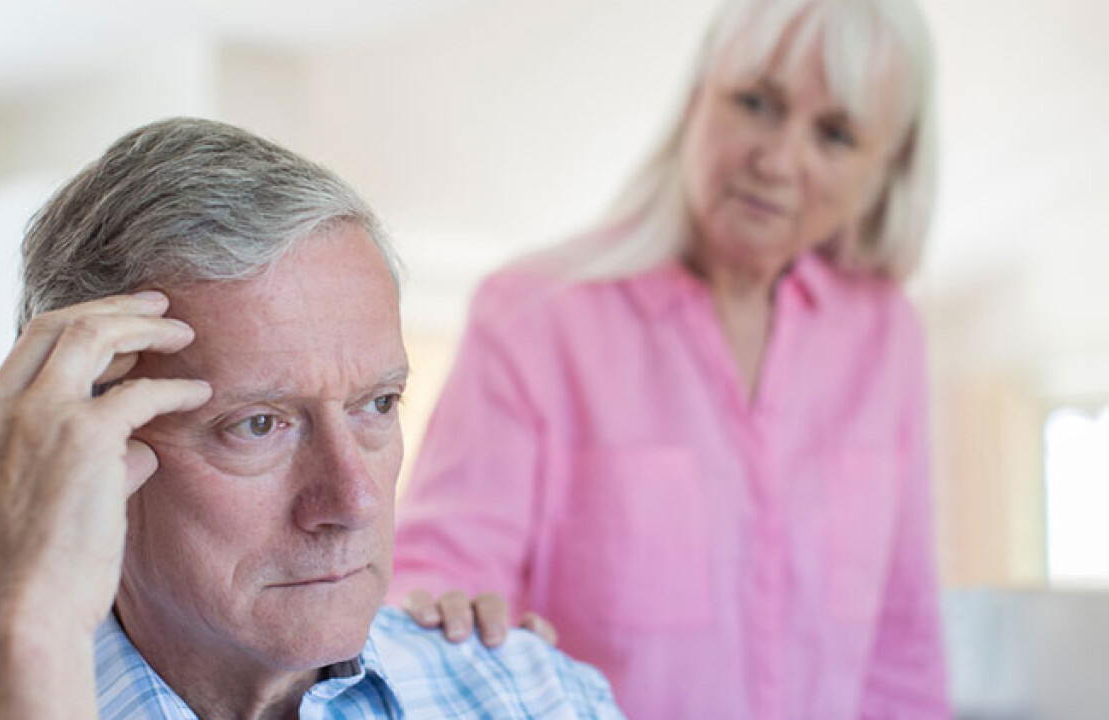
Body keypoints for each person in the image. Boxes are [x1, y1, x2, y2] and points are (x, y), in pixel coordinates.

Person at [0, 118, 623, 720]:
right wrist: (21, 624)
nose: (354, 501)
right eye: (258, 425)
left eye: (377, 404)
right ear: (81, 451)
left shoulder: (535, 697)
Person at [390, 0, 951, 717]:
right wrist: (445, 610)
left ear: (883, 172)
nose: (777, 161)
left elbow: (903, 645)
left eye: (836, 135)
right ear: (698, 97)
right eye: (756, 102)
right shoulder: (531, 315)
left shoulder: (886, 334)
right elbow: (439, 584)